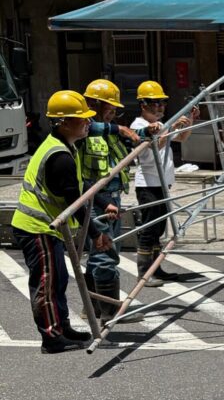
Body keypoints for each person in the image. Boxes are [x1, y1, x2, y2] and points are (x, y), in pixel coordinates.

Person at [10, 90, 113, 353]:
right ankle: (52, 338)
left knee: (58, 280)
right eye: (82, 119)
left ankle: (62, 326)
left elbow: (80, 186)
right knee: (47, 282)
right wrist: (95, 234)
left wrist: (103, 202)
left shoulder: (66, 147)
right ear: (63, 122)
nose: (88, 122)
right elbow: (73, 202)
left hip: (48, 227)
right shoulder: (60, 157)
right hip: (37, 228)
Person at [80, 79, 141, 324]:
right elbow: (93, 128)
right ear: (94, 104)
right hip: (97, 202)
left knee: (101, 254)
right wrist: (119, 129)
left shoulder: (108, 130)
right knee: (104, 254)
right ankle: (108, 312)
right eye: (111, 108)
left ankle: (93, 308)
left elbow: (130, 137)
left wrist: (148, 131)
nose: (114, 114)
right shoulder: (86, 128)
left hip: (111, 200)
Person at [131, 80, 200, 286]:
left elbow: (182, 138)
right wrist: (170, 129)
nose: (160, 107)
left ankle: (156, 268)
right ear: (143, 105)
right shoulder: (139, 126)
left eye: (162, 103)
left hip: (162, 183)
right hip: (148, 183)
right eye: (155, 103)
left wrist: (189, 121)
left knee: (159, 229)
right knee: (149, 228)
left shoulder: (162, 125)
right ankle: (144, 273)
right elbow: (152, 146)